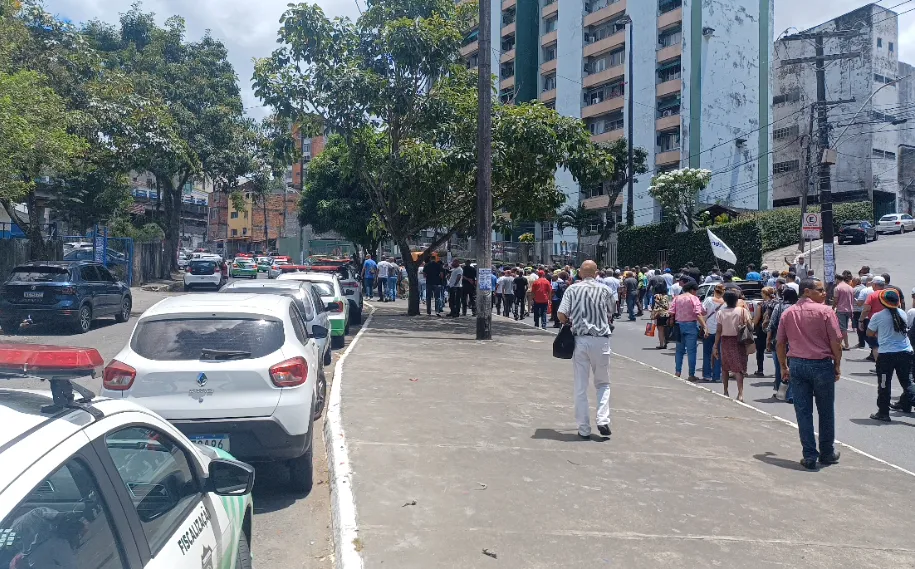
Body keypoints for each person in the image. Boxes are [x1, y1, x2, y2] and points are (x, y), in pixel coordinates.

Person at [776, 278, 843, 470]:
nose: (825, 294)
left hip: (797, 364)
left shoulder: (788, 313)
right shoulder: (826, 312)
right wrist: (837, 365)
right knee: (826, 410)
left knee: (803, 412)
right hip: (822, 365)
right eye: (820, 290)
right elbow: (836, 343)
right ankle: (827, 452)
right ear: (807, 291)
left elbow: (780, 343)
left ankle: (809, 455)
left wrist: (783, 366)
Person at [557, 260, 616, 439]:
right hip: (601, 340)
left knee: (581, 386)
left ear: (581, 273)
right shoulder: (605, 289)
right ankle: (603, 419)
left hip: (580, 340)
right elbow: (611, 310)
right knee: (603, 383)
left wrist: (569, 321)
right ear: (596, 272)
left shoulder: (573, 289)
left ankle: (584, 428)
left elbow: (561, 314)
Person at [865, 289, 915, 421]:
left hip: (887, 355)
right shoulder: (902, 313)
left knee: (884, 384)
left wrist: (879, 334)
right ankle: (907, 403)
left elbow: (869, 333)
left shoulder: (878, 316)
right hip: (905, 352)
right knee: (907, 382)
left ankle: (883, 412)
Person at [714, 290, 752, 401]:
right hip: (740, 340)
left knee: (725, 367)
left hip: (725, 340)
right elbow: (750, 326)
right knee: (739, 367)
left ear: (725, 300)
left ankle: (725, 391)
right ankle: (740, 393)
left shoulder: (720, 313)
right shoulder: (743, 311)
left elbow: (718, 331)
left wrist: (715, 345)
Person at [669, 280, 707, 382]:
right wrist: (704, 326)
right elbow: (699, 313)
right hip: (690, 325)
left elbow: (671, 311)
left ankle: (677, 372)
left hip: (678, 325)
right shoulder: (694, 298)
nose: (696, 293)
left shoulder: (677, 298)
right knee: (691, 351)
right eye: (696, 291)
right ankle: (691, 374)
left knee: (679, 351)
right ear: (692, 290)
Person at [768, 287, 799, 401]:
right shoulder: (798, 308)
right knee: (793, 367)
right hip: (795, 341)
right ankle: (791, 394)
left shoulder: (779, 307)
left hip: (780, 340)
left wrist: (768, 339)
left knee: (780, 366)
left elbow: (772, 324)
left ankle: (780, 391)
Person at [859, 275, 887, 362]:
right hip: (888, 322)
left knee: (875, 345)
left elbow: (866, 310)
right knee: (885, 344)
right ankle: (886, 366)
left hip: (875, 323)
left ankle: (879, 367)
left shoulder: (872, 295)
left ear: (875, 285)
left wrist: (860, 320)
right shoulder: (889, 294)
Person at [701, 284, 725, 382]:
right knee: (718, 353)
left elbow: (702, 312)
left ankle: (707, 375)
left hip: (708, 329)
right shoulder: (725, 303)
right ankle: (717, 376)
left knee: (707, 353)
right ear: (723, 292)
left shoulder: (708, 300)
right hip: (720, 331)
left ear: (714, 290)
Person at [750, 287, 775, 377]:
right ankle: (778, 370)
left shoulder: (761, 304)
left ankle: (760, 370)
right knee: (775, 350)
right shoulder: (777, 304)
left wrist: (752, 326)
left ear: (765, 294)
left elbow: (757, 318)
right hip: (774, 329)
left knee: (760, 351)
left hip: (762, 330)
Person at [832, 271, 855, 350]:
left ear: (837, 279)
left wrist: (832, 308)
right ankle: (842, 343)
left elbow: (835, 300)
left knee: (842, 328)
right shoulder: (850, 287)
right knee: (844, 327)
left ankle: (846, 344)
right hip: (849, 309)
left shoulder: (837, 288)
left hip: (841, 309)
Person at [854, 275, 873, 349]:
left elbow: (859, 304)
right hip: (872, 313)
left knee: (861, 330)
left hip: (862, 312)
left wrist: (856, 301)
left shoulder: (865, 291)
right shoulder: (877, 290)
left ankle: (865, 344)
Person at [650, 282, 671, 349]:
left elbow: (654, 306)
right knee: (666, 329)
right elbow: (669, 305)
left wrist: (652, 313)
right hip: (667, 314)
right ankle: (666, 341)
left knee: (660, 330)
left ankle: (662, 344)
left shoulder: (657, 296)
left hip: (660, 314)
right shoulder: (667, 296)